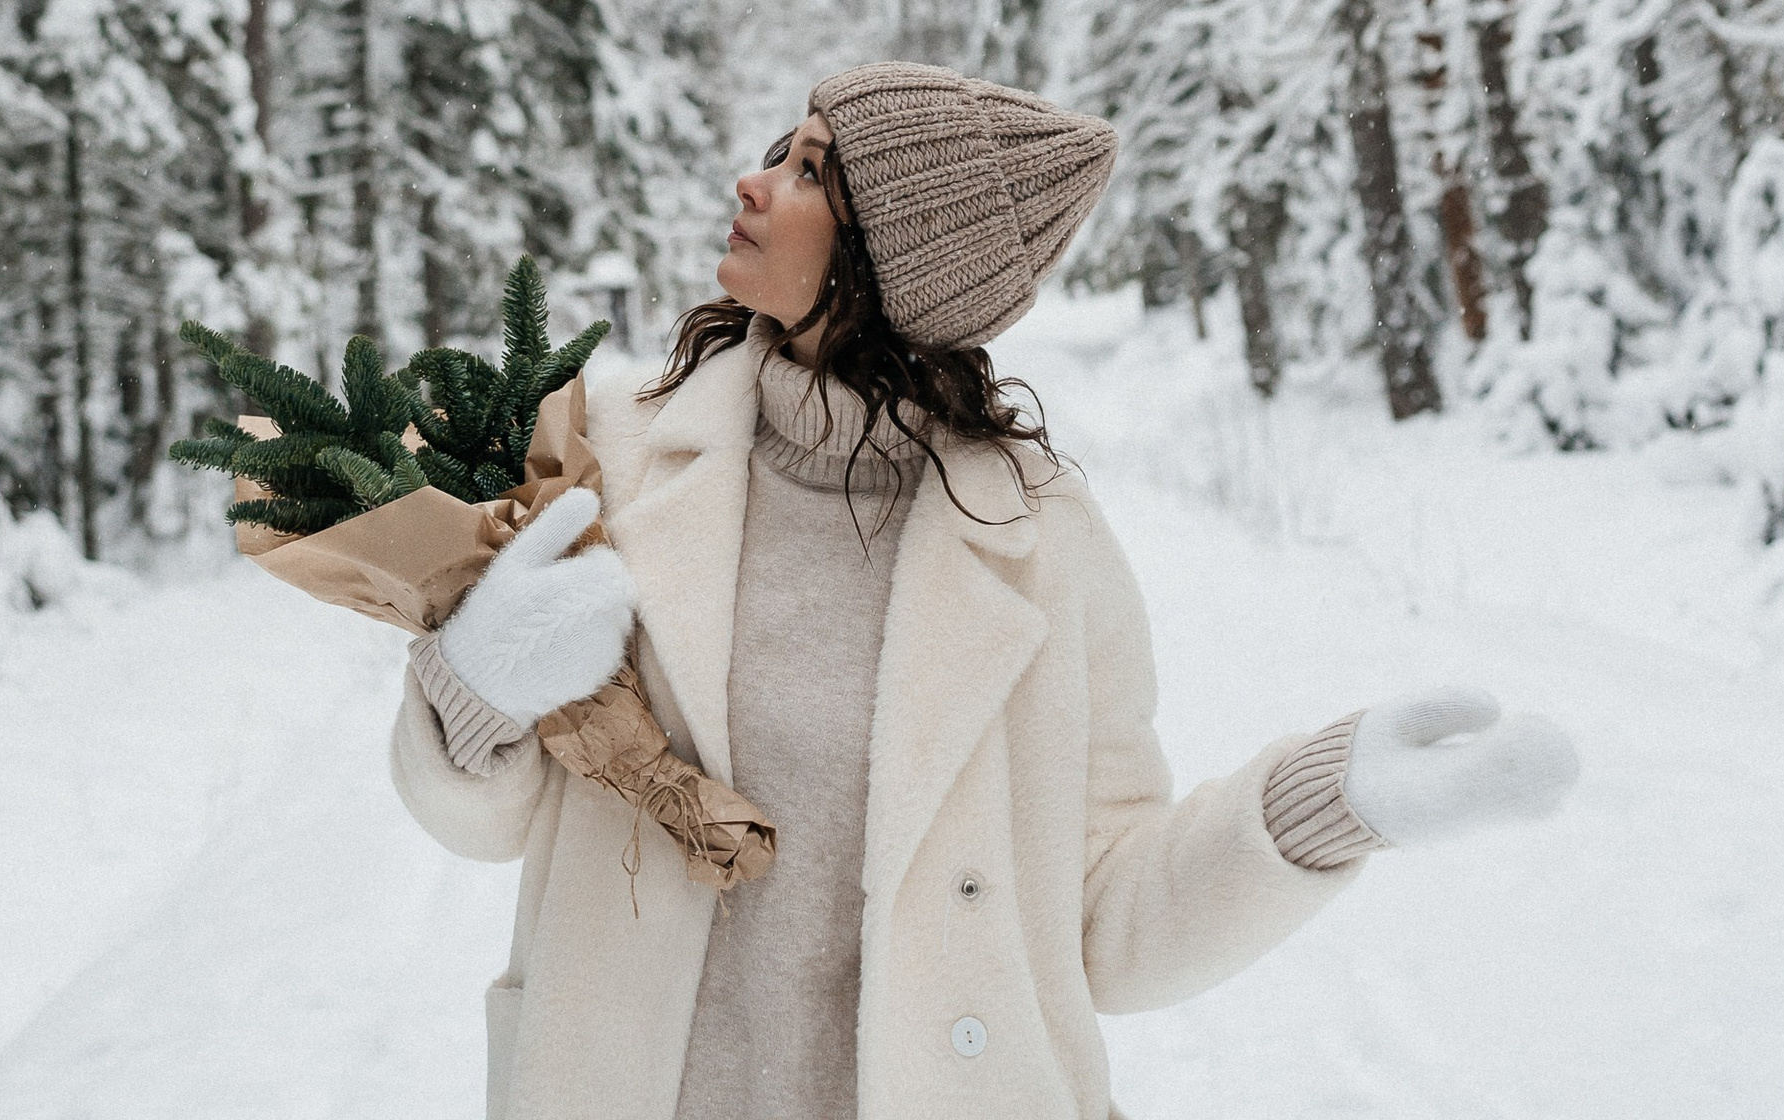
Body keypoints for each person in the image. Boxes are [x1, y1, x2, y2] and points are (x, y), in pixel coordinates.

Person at [393, 60, 1578, 1120]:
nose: (751, 186)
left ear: (892, 260)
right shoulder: (611, 458)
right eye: (776, 153)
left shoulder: (1040, 539)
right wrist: (477, 682)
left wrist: (1324, 805)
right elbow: (480, 821)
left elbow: (1104, 920)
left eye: (809, 172)